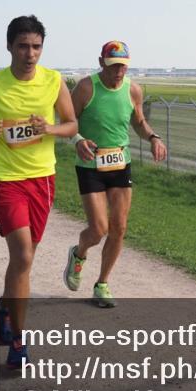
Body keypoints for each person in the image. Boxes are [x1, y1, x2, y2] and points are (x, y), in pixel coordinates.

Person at [0, 15, 77, 368]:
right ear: (10, 46)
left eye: (37, 46)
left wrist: (50, 128)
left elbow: (72, 125)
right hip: (5, 179)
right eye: (24, 46)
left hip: (42, 178)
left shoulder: (54, 81)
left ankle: (2, 307)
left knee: (23, 260)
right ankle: (19, 343)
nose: (31, 54)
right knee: (24, 256)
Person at [63, 41, 167, 308]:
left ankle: (102, 284)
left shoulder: (133, 89)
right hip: (90, 165)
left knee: (119, 227)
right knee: (98, 229)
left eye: (123, 65)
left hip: (120, 163)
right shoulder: (87, 87)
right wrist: (77, 139)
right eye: (113, 65)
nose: (118, 71)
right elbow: (67, 121)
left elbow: (139, 121)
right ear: (101, 62)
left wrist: (153, 137)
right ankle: (79, 253)